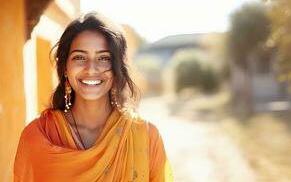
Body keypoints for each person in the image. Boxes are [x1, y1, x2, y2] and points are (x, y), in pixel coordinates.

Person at [13, 13, 174, 182]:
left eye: (103, 58)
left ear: (117, 67)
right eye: (79, 57)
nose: (91, 68)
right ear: (65, 67)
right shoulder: (39, 136)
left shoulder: (145, 137)